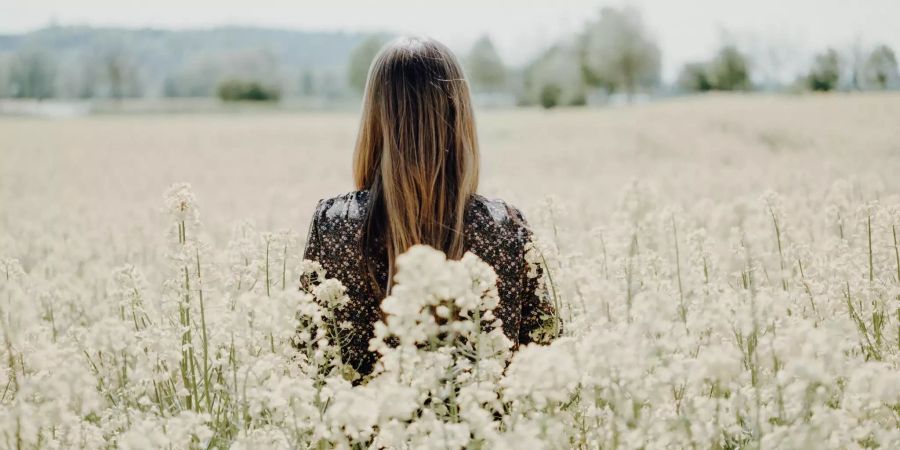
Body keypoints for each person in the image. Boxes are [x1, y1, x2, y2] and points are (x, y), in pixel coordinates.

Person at [302, 36, 559, 377]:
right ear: (460, 120)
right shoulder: (507, 230)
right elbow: (548, 364)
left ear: (374, 123)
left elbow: (309, 363)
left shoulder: (334, 224)